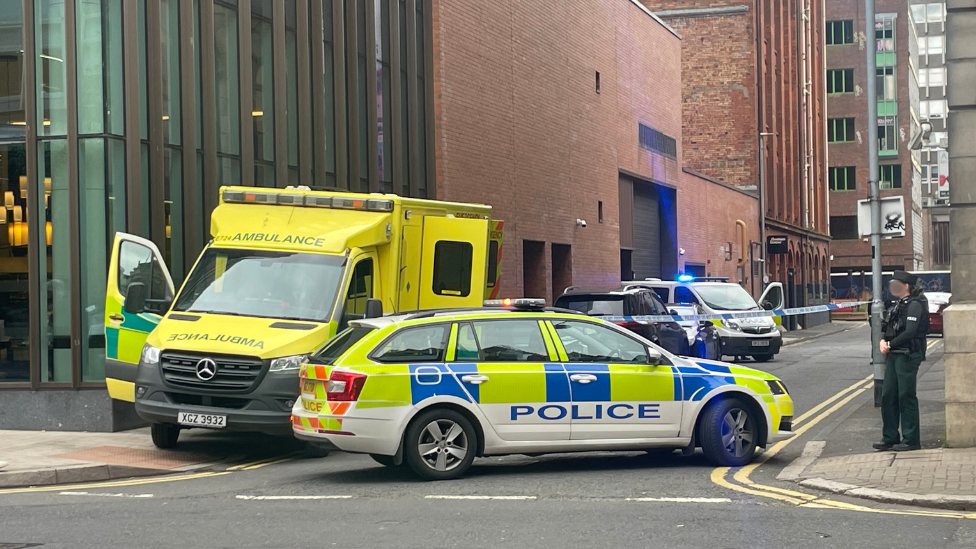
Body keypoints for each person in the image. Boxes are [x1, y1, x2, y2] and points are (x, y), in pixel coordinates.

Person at [873, 270, 929, 452]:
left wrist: (889, 343)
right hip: (895, 353)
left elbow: (910, 331)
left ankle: (911, 439)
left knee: (906, 395)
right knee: (888, 395)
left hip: (908, 353)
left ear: (906, 286)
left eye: (896, 284)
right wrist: (883, 339)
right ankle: (889, 437)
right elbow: (888, 325)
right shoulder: (898, 304)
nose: (892, 287)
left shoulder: (915, 304)